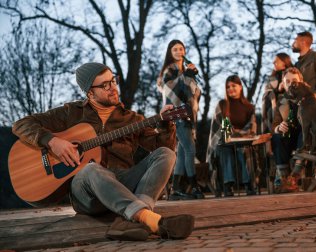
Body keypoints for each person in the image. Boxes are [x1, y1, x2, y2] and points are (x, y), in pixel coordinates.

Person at [12, 62, 195, 241]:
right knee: (91, 168)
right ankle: (147, 219)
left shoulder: (131, 118)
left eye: (113, 81)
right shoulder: (71, 113)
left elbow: (163, 149)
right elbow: (21, 124)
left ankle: (134, 219)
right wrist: (52, 141)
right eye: (105, 85)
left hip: (123, 183)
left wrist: (165, 125)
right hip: (87, 192)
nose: (113, 88)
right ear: (90, 92)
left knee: (166, 154)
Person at [157, 39, 204, 200]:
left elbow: (194, 91)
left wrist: (189, 75)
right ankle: (194, 186)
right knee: (190, 150)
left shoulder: (184, 68)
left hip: (187, 115)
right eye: (175, 49)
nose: (178, 51)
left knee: (184, 152)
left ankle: (176, 188)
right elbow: (168, 89)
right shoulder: (169, 70)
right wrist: (186, 76)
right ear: (170, 53)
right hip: (177, 114)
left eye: (181, 49)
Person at [207, 75, 257, 197]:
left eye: (233, 86)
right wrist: (233, 132)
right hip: (224, 140)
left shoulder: (249, 107)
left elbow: (251, 127)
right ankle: (227, 186)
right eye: (228, 86)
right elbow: (219, 126)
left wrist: (239, 134)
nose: (230, 89)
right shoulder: (222, 104)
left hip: (243, 141)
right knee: (225, 150)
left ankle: (248, 184)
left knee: (243, 150)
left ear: (240, 87)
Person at [262, 53, 293, 193]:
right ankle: (281, 177)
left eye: (276, 61)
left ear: (285, 62)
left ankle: (288, 178)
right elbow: (266, 94)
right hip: (276, 114)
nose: (274, 64)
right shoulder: (272, 78)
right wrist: (277, 90)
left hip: (291, 112)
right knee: (277, 138)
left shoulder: (293, 74)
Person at [271, 67, 303, 193]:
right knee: (277, 136)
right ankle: (284, 179)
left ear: (301, 81)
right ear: (283, 85)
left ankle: (294, 176)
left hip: (306, 140)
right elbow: (274, 126)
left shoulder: (312, 98)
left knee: (304, 130)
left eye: (294, 81)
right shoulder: (281, 102)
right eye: (287, 82)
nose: (291, 84)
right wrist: (279, 128)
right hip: (289, 139)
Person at [292, 31, 316, 102]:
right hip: (301, 106)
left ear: (303, 42)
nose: (292, 44)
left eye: (295, 40)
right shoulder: (297, 64)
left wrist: (313, 96)